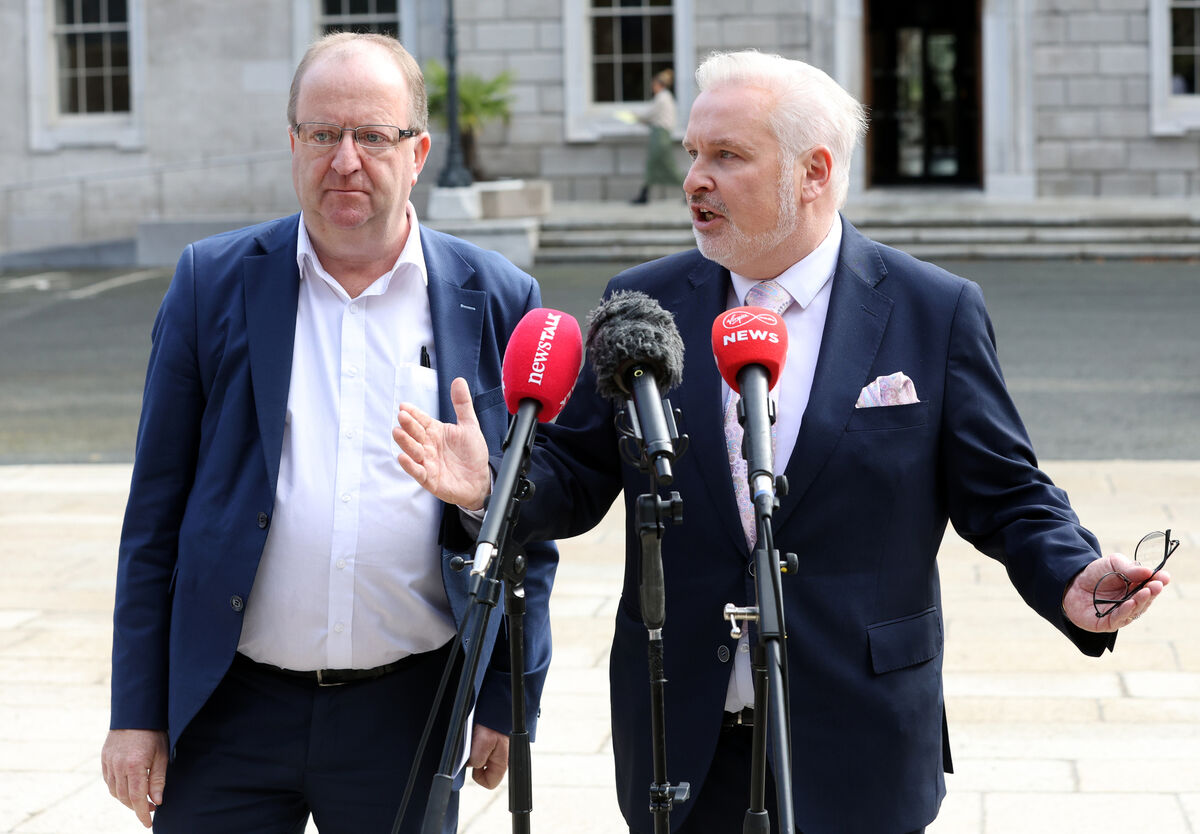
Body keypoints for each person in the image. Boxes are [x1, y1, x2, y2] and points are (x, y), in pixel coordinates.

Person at [393, 50, 1172, 833]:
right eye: (694, 152)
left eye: (727, 156)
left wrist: (1073, 572)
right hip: (680, 740)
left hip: (858, 735)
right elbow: (577, 476)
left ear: (814, 171)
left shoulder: (933, 310)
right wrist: (492, 483)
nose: (695, 177)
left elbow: (1006, 491)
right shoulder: (640, 305)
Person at [100, 32, 558, 833]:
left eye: (372, 136)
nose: (345, 160)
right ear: (293, 145)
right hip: (228, 708)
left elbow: (528, 527)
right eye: (323, 134)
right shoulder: (212, 283)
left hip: (411, 708)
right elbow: (155, 516)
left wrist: (509, 696)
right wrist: (136, 712)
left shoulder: (495, 298)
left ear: (418, 153)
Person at [631, 68, 684, 204]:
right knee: (655, 165)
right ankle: (644, 194)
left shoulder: (662, 98)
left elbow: (650, 114)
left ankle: (688, 191)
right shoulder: (666, 97)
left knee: (664, 165)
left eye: (653, 84)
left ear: (658, 84)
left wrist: (636, 117)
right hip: (660, 134)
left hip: (660, 135)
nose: (652, 87)